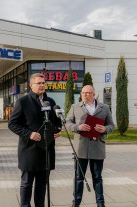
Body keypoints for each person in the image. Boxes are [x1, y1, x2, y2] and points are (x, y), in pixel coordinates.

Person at [8, 73, 62, 207]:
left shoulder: (51, 102)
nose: (42, 85)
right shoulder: (23, 102)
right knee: (27, 183)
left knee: (42, 185)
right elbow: (12, 124)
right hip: (29, 150)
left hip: (46, 150)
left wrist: (57, 130)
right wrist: (29, 134)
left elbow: (56, 122)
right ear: (31, 85)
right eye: (39, 83)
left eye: (43, 83)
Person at [65, 85, 114, 207]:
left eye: (88, 93)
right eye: (83, 93)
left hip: (98, 148)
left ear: (94, 94)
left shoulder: (105, 108)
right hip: (80, 148)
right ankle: (76, 203)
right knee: (78, 178)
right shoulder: (75, 107)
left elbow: (111, 125)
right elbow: (67, 123)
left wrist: (104, 129)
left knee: (97, 178)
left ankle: (100, 203)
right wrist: (78, 127)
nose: (85, 95)